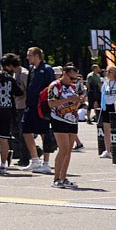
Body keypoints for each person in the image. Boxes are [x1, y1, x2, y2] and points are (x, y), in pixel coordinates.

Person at [46, 61, 85, 189]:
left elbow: (74, 105)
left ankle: (64, 177)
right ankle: (56, 178)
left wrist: (78, 101)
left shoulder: (73, 87)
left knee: (68, 150)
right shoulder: (55, 85)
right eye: (71, 77)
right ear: (64, 74)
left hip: (72, 119)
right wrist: (68, 100)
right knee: (63, 148)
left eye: (75, 78)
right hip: (58, 119)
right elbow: (51, 104)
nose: (73, 80)